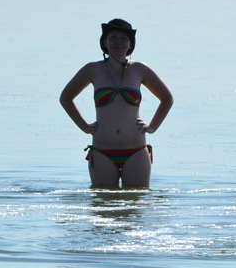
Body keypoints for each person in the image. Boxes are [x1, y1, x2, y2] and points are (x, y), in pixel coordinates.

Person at [60, 19, 174, 188]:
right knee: (104, 205)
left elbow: (167, 98)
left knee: (135, 203)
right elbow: (66, 97)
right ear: (104, 42)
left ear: (130, 45)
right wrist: (84, 126)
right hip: (102, 151)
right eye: (113, 38)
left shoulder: (140, 69)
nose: (118, 42)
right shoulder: (93, 69)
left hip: (135, 150)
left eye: (123, 39)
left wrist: (152, 127)